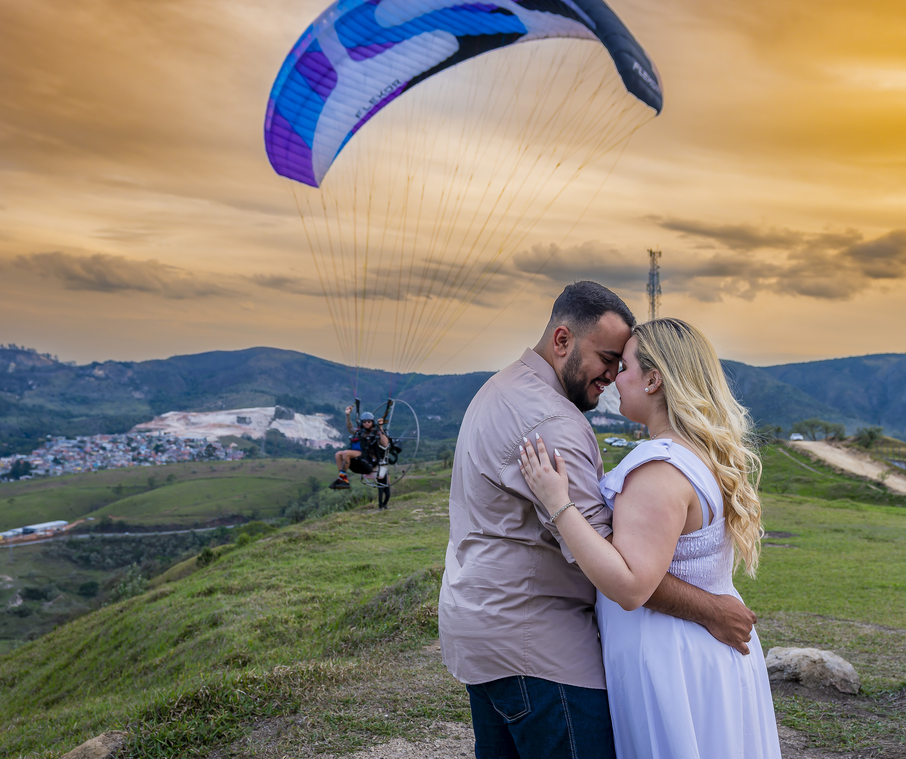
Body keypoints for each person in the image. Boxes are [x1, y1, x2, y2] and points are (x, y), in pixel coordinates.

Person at [438, 282, 758, 759]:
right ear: (563, 341)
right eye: (609, 358)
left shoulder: (501, 388)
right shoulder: (553, 423)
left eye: (621, 364)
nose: (611, 375)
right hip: (541, 650)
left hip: (485, 635)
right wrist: (713, 610)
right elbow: (619, 564)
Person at [519, 317, 782, 758]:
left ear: (654, 379)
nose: (612, 380)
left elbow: (630, 585)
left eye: (623, 367)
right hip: (705, 654)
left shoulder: (657, 469)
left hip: (671, 662)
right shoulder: (699, 453)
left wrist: (557, 502)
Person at [331, 406, 389, 495]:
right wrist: (347, 414)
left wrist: (380, 427)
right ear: (362, 423)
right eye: (364, 422)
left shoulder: (375, 432)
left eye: (369, 422)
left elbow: (385, 443)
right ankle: (343, 478)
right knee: (338, 454)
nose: (366, 423)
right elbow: (350, 428)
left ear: (372, 422)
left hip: (368, 458)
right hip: (358, 456)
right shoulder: (360, 432)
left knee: (346, 453)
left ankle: (342, 478)